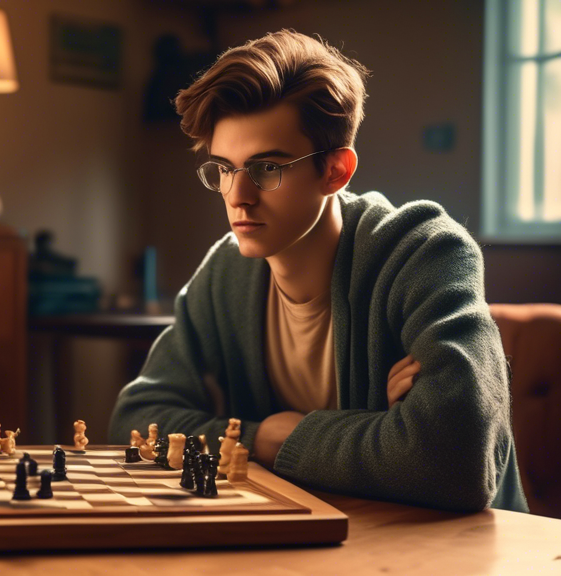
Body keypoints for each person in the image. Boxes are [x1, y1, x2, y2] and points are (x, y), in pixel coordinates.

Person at [108, 30, 528, 513]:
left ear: (336, 171)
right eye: (224, 168)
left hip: (463, 554)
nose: (237, 196)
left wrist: (298, 438)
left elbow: (455, 462)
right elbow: (135, 420)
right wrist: (264, 436)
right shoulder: (225, 273)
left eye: (266, 169)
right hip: (314, 539)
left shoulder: (424, 253)